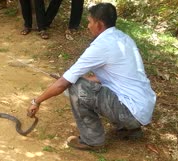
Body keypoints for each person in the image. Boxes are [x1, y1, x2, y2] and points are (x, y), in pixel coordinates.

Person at [27, 3, 156, 151]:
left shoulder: (101, 46)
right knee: (77, 83)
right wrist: (82, 80)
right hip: (143, 109)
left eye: (90, 22)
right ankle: (130, 129)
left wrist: (36, 101)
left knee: (74, 87)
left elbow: (64, 83)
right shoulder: (123, 38)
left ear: (99, 25)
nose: (88, 26)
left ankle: (92, 140)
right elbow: (111, 78)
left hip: (130, 112)